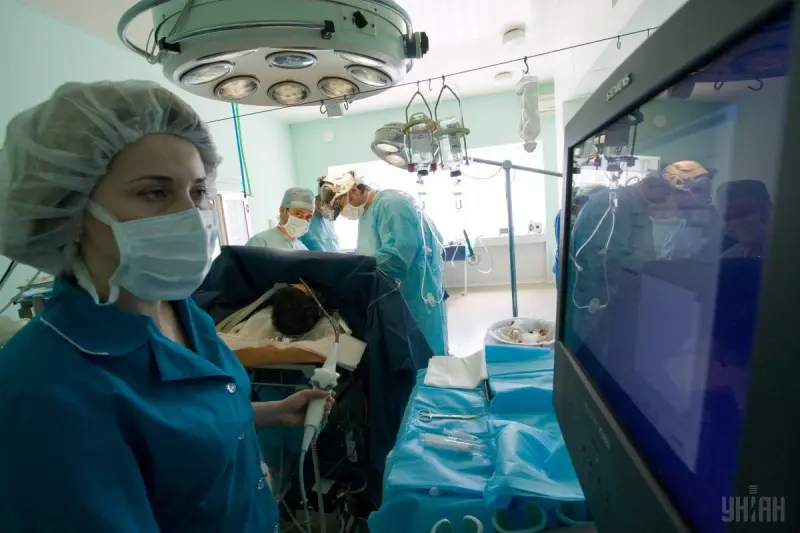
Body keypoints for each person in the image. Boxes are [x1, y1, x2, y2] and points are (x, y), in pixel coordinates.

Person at [0, 80, 334, 533]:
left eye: (196, 192)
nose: (190, 217)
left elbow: (173, 432)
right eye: (155, 193)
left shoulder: (181, 311)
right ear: (71, 210)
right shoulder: (44, 392)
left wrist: (269, 413)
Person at [318, 171, 448, 355]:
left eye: (341, 204)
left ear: (354, 189)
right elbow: (371, 253)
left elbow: (397, 257)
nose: (344, 212)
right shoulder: (368, 213)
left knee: (425, 355)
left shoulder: (391, 204)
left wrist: (355, 268)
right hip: (395, 296)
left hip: (414, 296)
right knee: (406, 353)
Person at [553, 183, 607, 286]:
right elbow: (572, 247)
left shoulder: (587, 213)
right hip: (570, 268)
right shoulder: (566, 215)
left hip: (578, 268)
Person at [716, 179, 773, 258]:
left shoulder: (787, 250)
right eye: (729, 216)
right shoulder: (727, 257)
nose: (736, 222)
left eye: (744, 212)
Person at [246, 187, 314, 250]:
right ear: (282, 210)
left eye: (308, 217)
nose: (303, 220)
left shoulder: (303, 250)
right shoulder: (260, 242)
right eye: (298, 214)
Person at [299, 177, 340, 253]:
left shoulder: (329, 220)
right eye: (329, 205)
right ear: (318, 199)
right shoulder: (302, 222)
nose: (332, 209)